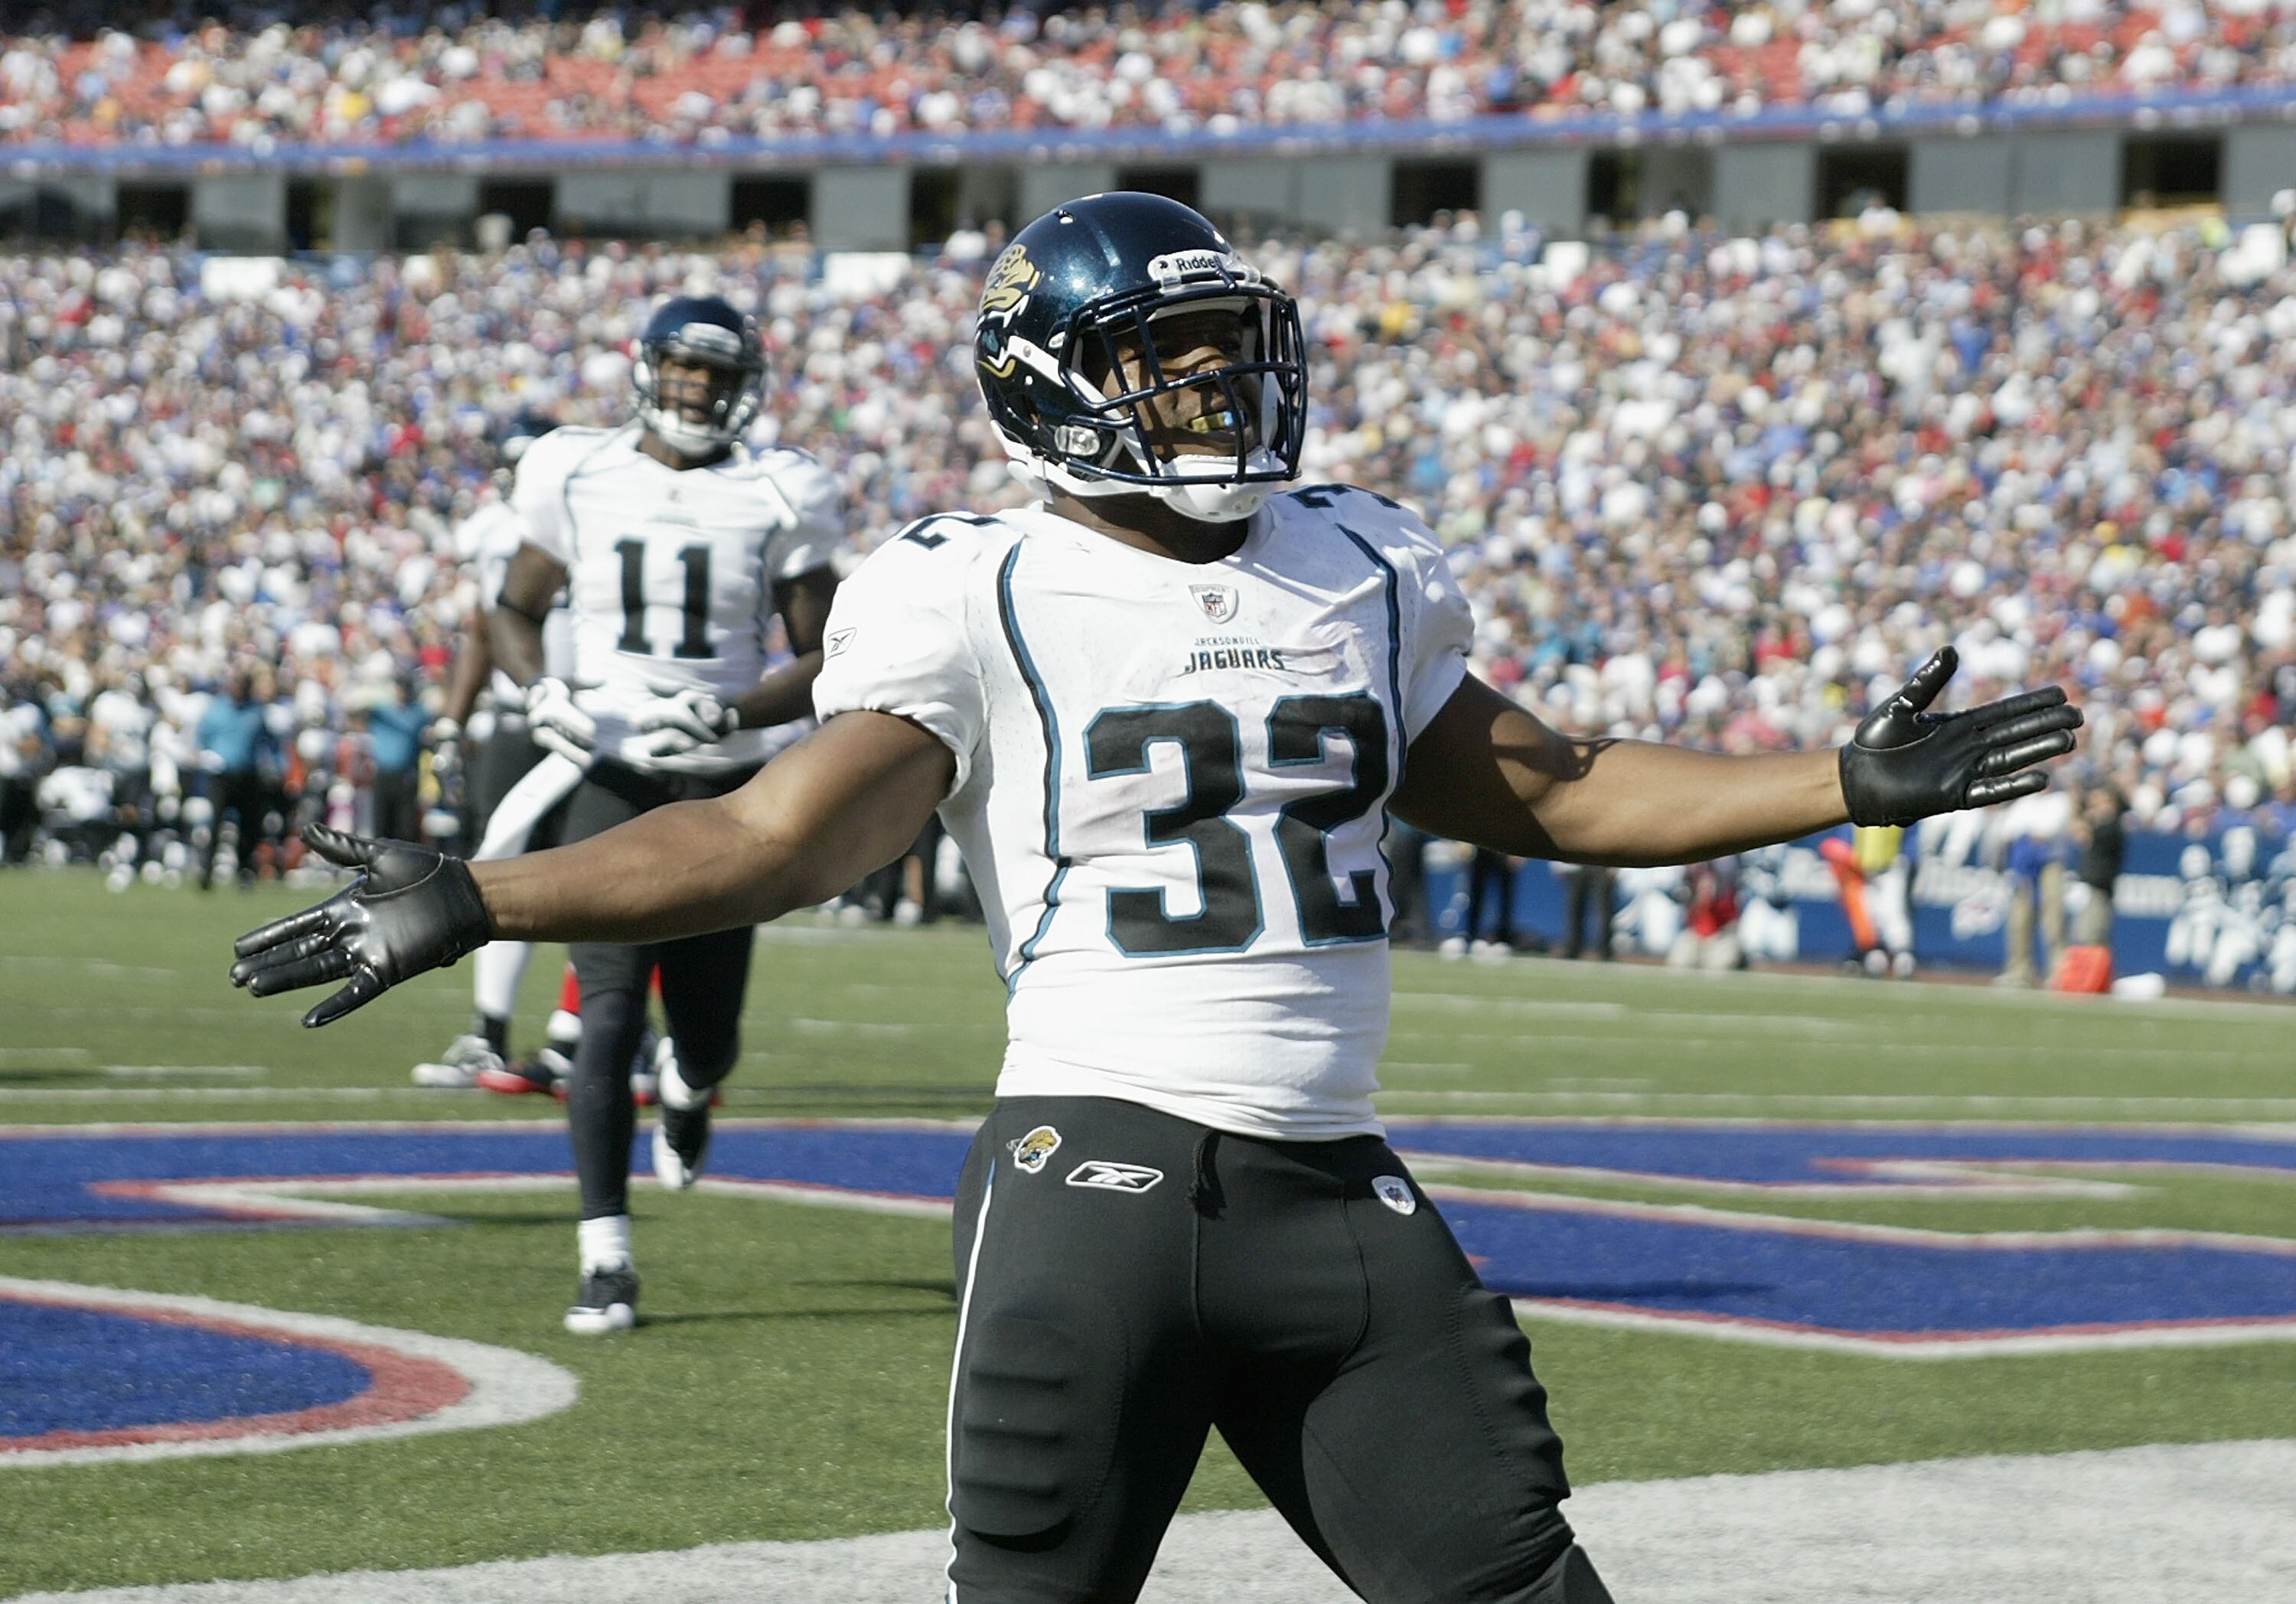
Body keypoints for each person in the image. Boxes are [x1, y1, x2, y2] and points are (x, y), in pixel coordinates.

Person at [232, 194, 2080, 1604]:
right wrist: (486, 894)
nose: (1213, 386)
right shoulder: (970, 584)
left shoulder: (1355, 555)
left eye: (1224, 347)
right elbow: (776, 837)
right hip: (1093, 1185)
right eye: (1166, 358)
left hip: (1337, 1194)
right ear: (1048, 380)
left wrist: (1832, 784)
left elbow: (1548, 782)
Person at [480, 292, 843, 1332]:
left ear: (744, 388)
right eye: (685, 368)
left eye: (717, 375)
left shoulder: (779, 490)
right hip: (613, 767)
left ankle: (687, 1086)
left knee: (708, 1034)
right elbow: (513, 607)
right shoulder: (577, 469)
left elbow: (826, 654)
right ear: (648, 369)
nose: (697, 389)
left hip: (726, 785)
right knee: (603, 1010)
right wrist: (539, 690)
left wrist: (735, 707)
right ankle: (606, 1256)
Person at [413, 412, 579, 1092]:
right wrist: (452, 721)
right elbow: (485, 630)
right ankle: (491, 1033)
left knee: (603, 868)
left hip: (592, 718)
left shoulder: (594, 516)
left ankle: (591, 1029)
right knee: (496, 868)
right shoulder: (494, 531)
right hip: (519, 720)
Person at [194, 667, 280, 889]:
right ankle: (206, 871)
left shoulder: (256, 712)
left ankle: (245, 870)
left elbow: (269, 741)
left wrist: (275, 766)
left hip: (247, 775)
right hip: (221, 775)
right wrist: (207, 756)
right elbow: (201, 738)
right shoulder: (217, 709)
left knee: (248, 826)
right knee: (215, 823)